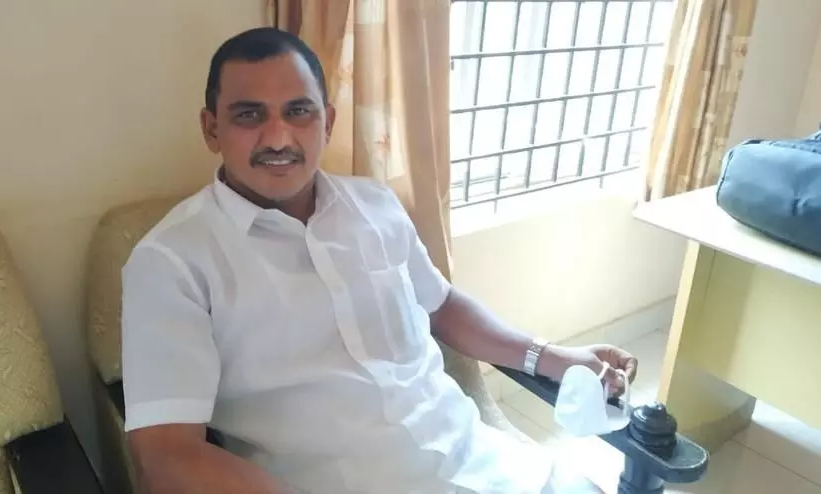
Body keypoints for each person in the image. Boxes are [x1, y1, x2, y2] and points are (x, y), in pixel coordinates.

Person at [122, 27, 638, 494]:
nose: (278, 137)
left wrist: (550, 356)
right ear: (211, 128)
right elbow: (168, 454)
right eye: (248, 115)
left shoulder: (376, 206)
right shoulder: (171, 263)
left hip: (489, 465)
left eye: (298, 111)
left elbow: (442, 306)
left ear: (328, 122)